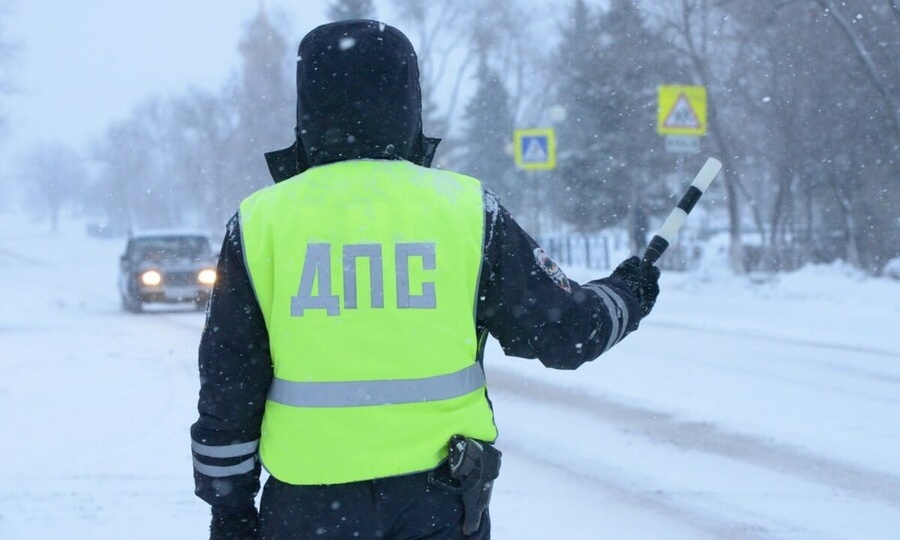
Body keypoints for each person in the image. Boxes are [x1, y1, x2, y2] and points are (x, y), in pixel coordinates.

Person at [190, 19, 661, 540]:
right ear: (409, 99)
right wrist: (626, 293)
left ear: (307, 105)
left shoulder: (262, 221)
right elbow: (567, 332)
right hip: (439, 503)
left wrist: (228, 508)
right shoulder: (467, 210)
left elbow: (229, 380)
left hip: (308, 509)